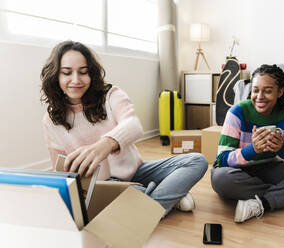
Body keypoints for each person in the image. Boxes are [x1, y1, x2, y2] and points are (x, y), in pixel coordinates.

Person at [40, 40, 208, 217]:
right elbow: (60, 171)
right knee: (118, 199)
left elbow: (133, 125)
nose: (76, 80)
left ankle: (149, 205)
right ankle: (165, 198)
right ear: (56, 76)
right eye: (66, 73)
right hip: (102, 186)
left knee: (197, 161)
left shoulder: (110, 95)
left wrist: (105, 144)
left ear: (91, 74)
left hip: (137, 171)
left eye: (83, 72)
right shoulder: (50, 121)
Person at [211, 64, 284, 223]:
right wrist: (252, 150)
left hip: (268, 168)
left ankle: (263, 203)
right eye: (255, 90)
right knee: (220, 179)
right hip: (238, 171)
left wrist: (282, 149)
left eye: (267, 91)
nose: (259, 96)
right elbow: (220, 160)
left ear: (279, 92)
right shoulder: (237, 112)